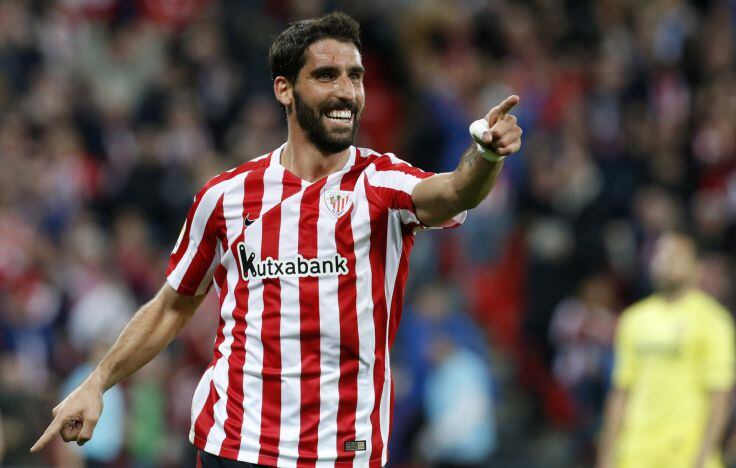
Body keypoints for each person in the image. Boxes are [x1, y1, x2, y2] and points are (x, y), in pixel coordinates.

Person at [30, 12, 523, 467]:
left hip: (341, 450)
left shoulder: (383, 184)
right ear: (285, 89)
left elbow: (458, 191)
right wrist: (97, 382)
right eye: (327, 75)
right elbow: (171, 306)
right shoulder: (226, 197)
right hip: (235, 442)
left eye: (356, 76)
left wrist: (487, 156)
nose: (347, 90)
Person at [597, 230, 736, 468]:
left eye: (676, 255)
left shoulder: (715, 321)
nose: (665, 261)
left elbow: (720, 396)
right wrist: (606, 457)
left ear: (697, 267)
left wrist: (703, 457)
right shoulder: (633, 320)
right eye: (661, 254)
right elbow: (621, 391)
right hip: (635, 453)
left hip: (685, 453)